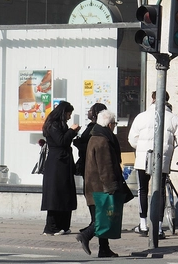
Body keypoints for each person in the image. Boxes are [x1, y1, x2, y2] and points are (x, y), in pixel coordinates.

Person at [128, 91, 178, 239]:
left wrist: (143, 148)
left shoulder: (141, 117)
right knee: (161, 191)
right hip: (162, 160)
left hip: (143, 160)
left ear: (152, 99)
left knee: (142, 190)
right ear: (168, 100)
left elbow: (132, 139)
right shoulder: (173, 118)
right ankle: (157, 227)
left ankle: (143, 224)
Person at [76, 109, 123, 258]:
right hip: (100, 186)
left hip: (93, 185)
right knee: (101, 219)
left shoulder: (95, 136)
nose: (115, 126)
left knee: (102, 218)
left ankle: (104, 249)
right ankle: (86, 235)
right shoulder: (103, 140)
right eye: (114, 123)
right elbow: (105, 166)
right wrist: (111, 186)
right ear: (109, 124)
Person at [40, 100, 80, 236]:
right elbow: (61, 141)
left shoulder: (59, 124)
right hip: (57, 163)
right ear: (64, 113)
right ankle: (52, 226)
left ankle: (63, 225)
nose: (69, 117)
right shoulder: (53, 125)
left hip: (64, 162)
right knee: (56, 195)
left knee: (64, 193)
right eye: (69, 114)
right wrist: (71, 131)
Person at [72, 102, 108, 233]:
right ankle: (94, 222)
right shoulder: (94, 128)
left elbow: (87, 145)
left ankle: (95, 223)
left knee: (92, 194)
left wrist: (76, 141)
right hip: (88, 164)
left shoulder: (94, 129)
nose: (88, 112)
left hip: (90, 165)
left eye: (91, 110)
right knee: (90, 194)